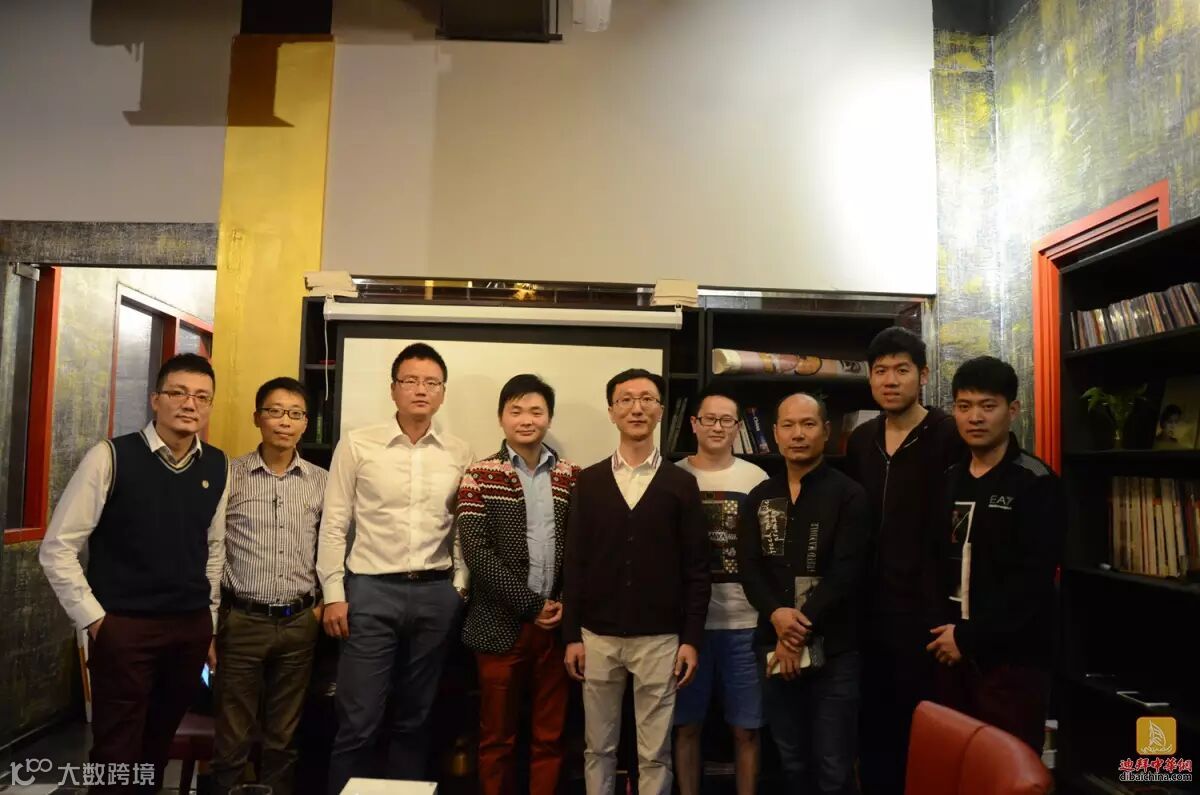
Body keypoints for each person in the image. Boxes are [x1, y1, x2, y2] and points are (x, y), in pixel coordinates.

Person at [39, 353, 228, 793]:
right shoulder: (110, 457)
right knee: (115, 753)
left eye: (202, 397)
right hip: (125, 627)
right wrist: (95, 620)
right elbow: (58, 548)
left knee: (156, 748)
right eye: (178, 393)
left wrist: (209, 622)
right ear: (155, 399)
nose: (190, 404)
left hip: (189, 629)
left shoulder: (218, 465)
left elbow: (213, 549)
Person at [318, 343, 473, 791]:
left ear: (442, 393)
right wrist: (334, 594)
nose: (421, 390)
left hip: (435, 594)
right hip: (370, 592)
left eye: (431, 382)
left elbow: (462, 525)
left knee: (416, 719)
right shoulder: (358, 444)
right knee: (359, 720)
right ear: (393, 389)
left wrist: (459, 585)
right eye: (410, 381)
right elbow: (334, 523)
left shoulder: (459, 451)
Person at [561, 368, 711, 795]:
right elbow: (574, 564)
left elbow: (696, 568)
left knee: (655, 753)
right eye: (625, 399)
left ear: (661, 410)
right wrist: (571, 636)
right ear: (611, 412)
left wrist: (691, 639)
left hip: (660, 639)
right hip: (597, 637)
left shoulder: (682, 484)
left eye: (647, 399)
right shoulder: (589, 481)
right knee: (598, 748)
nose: (637, 408)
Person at [844, 326, 964, 794]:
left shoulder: (949, 434)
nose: (890, 380)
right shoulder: (861, 439)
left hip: (928, 612)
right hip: (868, 611)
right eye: (881, 371)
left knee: (926, 727)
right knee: (873, 729)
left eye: (901, 370)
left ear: (924, 375)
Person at [737, 393, 871, 794]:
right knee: (790, 761)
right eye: (789, 425)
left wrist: (795, 633)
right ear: (776, 433)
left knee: (834, 766)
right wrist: (778, 616)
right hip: (774, 647)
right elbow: (750, 568)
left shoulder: (849, 495)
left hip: (835, 650)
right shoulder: (761, 496)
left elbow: (846, 573)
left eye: (808, 424)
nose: (798, 434)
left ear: (826, 432)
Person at [928, 355, 1062, 752]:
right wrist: (948, 634)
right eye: (964, 406)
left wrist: (969, 637)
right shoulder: (949, 479)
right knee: (957, 765)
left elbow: (1032, 583)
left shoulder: (1035, 483)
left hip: (1012, 663)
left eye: (988, 406)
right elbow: (935, 561)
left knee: (1009, 767)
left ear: (1012, 410)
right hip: (950, 654)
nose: (975, 417)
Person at [456, 374, 581, 795]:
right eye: (516, 411)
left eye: (536, 411)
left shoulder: (572, 476)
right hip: (497, 625)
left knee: (551, 736)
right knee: (496, 737)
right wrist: (531, 606)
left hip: (557, 628)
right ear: (501, 418)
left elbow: (582, 549)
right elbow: (476, 553)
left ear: (549, 418)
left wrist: (562, 603)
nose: (526, 419)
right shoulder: (478, 475)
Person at [212, 377, 328, 795]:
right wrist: (211, 621)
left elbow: (333, 546)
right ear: (257, 418)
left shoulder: (321, 481)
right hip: (242, 620)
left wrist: (319, 606)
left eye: (295, 414)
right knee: (232, 736)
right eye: (275, 412)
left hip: (299, 622)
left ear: (305, 423)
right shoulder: (229, 476)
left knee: (284, 736)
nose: (285, 422)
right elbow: (212, 549)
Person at [672, 388, 769, 795]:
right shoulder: (673, 477)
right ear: (693, 424)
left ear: (737, 427)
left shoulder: (757, 479)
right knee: (686, 726)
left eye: (726, 420)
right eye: (708, 418)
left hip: (745, 623)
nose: (717, 426)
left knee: (747, 729)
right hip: (686, 628)